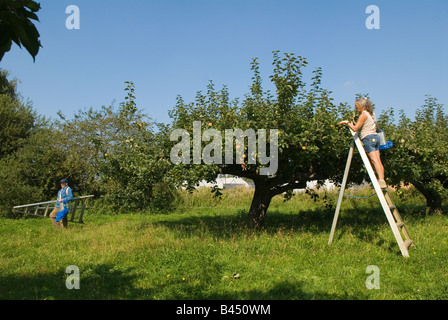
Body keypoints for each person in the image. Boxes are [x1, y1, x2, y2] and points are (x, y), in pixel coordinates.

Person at [339, 97, 387, 189]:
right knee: (378, 161)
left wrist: (347, 123)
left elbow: (355, 128)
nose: (355, 108)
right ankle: (382, 180)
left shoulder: (363, 115)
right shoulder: (370, 114)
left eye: (356, 106)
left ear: (361, 105)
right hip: (375, 137)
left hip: (368, 138)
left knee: (374, 160)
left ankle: (380, 181)